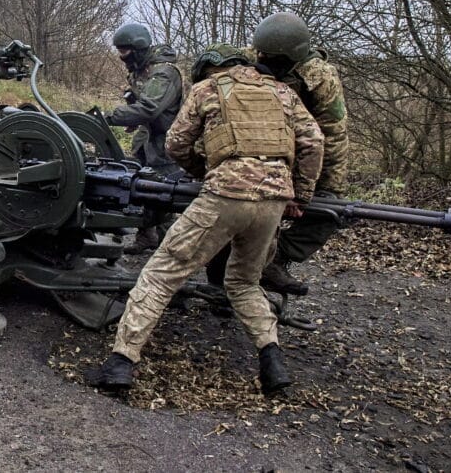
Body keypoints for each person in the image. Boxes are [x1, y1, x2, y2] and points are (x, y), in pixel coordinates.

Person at [86, 44, 323, 396]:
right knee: (244, 283)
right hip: (273, 199)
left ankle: (120, 364)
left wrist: (205, 171)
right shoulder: (282, 91)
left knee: (160, 275)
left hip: (225, 195)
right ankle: (273, 365)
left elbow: (176, 144)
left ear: (209, 68)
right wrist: (298, 195)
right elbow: (314, 142)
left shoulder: (208, 89)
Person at [250, 12, 348, 296]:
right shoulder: (251, 59)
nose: (263, 60)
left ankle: (276, 258)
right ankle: (224, 281)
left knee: (329, 211)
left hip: (307, 152)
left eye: (271, 57)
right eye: (261, 54)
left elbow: (332, 133)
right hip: (258, 150)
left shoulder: (320, 77)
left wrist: (323, 186)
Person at [105, 23, 185, 251]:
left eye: (125, 51)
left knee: (166, 190)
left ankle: (170, 245)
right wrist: (133, 117)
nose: (122, 57)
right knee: (140, 183)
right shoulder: (140, 68)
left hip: (169, 138)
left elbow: (150, 108)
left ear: (138, 48)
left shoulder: (164, 72)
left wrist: (110, 117)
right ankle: (146, 234)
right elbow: (141, 106)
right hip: (147, 135)